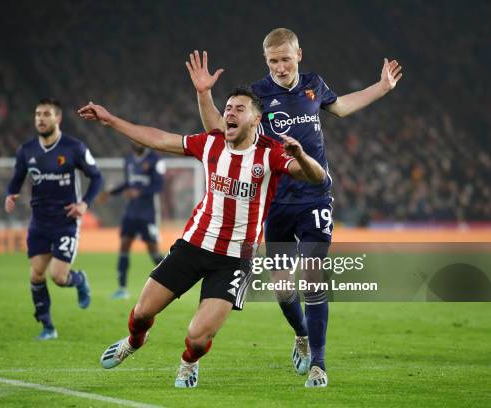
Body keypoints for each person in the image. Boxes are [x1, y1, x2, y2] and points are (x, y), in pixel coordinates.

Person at [185, 28, 403, 387]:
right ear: (266, 61)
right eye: (274, 61)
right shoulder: (256, 95)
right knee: (284, 289)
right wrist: (204, 94)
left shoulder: (314, 84)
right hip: (275, 202)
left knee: (313, 276)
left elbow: (343, 107)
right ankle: (301, 334)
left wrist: (382, 87)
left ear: (299, 55)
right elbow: (222, 131)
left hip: (315, 196)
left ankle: (318, 364)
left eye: (286, 58)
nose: (281, 66)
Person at [77, 87, 326, 388]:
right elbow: (158, 138)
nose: (230, 113)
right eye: (228, 108)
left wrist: (301, 154)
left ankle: (189, 362)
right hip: (193, 245)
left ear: (256, 119)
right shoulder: (210, 144)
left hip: (234, 260)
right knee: (142, 312)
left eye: (239, 108)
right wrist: (110, 119)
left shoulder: (270, 153)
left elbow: (317, 177)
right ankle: (133, 341)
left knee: (197, 337)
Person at [5, 98, 103, 340]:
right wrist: (11, 193)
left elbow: (97, 177)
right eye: (37, 114)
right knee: (36, 274)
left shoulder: (74, 148)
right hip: (39, 222)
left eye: (46, 114)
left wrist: (84, 204)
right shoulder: (26, 150)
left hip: (66, 221)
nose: (40, 118)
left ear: (58, 118)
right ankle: (47, 326)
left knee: (58, 277)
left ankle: (79, 280)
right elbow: (18, 176)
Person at [97, 142, 166, 299]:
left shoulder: (156, 160)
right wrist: (110, 193)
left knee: (153, 251)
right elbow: (128, 183)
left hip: (148, 213)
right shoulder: (128, 160)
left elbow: (159, 186)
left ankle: (174, 282)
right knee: (124, 245)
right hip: (131, 213)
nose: (135, 142)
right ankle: (122, 288)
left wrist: (139, 192)